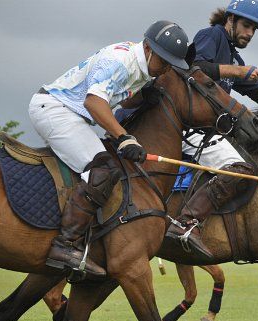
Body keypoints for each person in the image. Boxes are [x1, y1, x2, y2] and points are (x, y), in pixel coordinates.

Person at [30, 21, 191, 277]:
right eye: (164, 61)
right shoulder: (120, 61)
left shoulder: (143, 69)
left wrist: (141, 98)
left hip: (72, 115)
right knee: (103, 169)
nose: (166, 68)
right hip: (55, 110)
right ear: (148, 48)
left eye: (172, 64)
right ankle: (64, 245)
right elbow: (94, 102)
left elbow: (120, 95)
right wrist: (124, 137)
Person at [165, 0, 258, 259]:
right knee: (241, 170)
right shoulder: (211, 36)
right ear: (230, 19)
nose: (249, 33)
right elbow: (197, 69)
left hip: (212, 130)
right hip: (188, 126)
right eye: (246, 25)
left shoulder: (233, 55)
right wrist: (239, 71)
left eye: (254, 29)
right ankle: (186, 223)